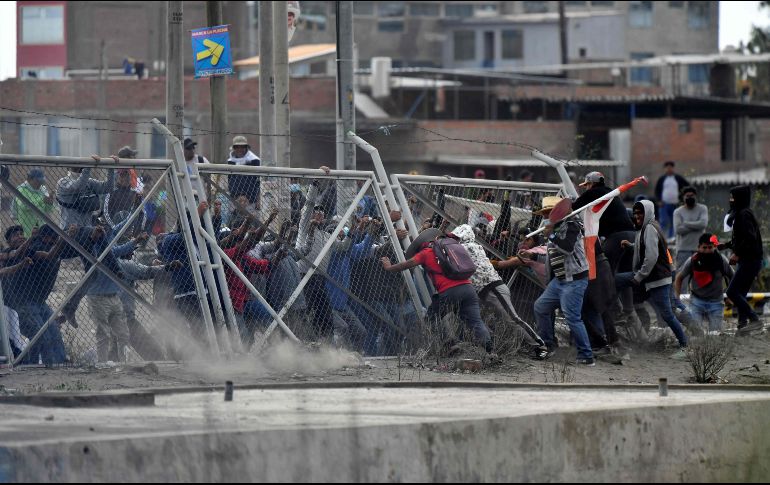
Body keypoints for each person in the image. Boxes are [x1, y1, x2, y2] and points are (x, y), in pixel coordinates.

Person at [381, 228, 494, 356]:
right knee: (476, 322)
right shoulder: (451, 249)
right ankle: (490, 351)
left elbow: (409, 263)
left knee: (431, 319)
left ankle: (443, 345)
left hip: (449, 291)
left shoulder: (426, 252)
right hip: (468, 289)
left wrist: (390, 267)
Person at [451, 223, 548, 359]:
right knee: (470, 315)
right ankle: (484, 342)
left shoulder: (468, 247)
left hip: (493, 288)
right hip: (485, 290)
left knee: (513, 319)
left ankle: (540, 345)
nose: (454, 240)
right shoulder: (469, 247)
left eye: (456, 237)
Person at [617, 200, 688, 356]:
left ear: (648, 212)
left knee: (667, 314)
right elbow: (645, 248)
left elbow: (651, 256)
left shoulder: (649, 228)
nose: (637, 216)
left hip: (656, 279)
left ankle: (686, 345)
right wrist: (630, 246)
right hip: (653, 278)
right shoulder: (646, 228)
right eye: (635, 213)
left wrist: (639, 276)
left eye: (640, 212)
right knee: (617, 281)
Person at [531, 198, 595, 366]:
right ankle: (548, 345)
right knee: (540, 307)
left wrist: (551, 234)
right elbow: (552, 256)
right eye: (544, 213)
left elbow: (566, 248)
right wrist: (531, 257)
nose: (545, 216)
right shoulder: (553, 229)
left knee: (572, 317)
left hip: (574, 280)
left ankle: (586, 355)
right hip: (559, 281)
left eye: (548, 212)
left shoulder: (571, 225)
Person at [2, 225, 75, 366]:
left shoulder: (30, 250)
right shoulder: (9, 253)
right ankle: (40, 366)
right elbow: (17, 255)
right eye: (15, 235)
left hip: (38, 301)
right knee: (41, 336)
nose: (20, 236)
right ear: (9, 242)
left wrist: (65, 238)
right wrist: (31, 238)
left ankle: (59, 364)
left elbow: (49, 255)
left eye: (21, 233)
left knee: (54, 332)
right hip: (21, 303)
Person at [722, 185, 765, 335]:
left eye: (733, 197)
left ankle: (754, 319)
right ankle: (743, 327)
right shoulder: (741, 213)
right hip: (749, 260)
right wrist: (725, 245)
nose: (730, 200)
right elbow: (741, 238)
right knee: (741, 292)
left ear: (739, 198)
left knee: (732, 292)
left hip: (750, 260)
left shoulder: (744, 215)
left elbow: (750, 238)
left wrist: (737, 254)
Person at [675, 234, 733, 333]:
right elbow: (679, 278)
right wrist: (677, 298)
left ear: (715, 247)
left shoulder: (721, 261)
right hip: (697, 302)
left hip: (716, 302)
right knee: (696, 333)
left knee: (714, 336)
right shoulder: (692, 261)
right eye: (704, 247)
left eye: (710, 247)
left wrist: (730, 297)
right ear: (699, 247)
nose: (707, 250)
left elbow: (733, 277)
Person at [57, 154, 118, 228]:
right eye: (74, 162)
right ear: (68, 167)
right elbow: (78, 186)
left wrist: (110, 167)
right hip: (69, 230)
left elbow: (108, 188)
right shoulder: (63, 182)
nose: (77, 163)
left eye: (80, 161)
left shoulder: (89, 182)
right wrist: (88, 165)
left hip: (87, 230)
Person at [673, 186, 708, 286]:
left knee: (699, 279)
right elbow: (678, 230)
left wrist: (686, 223)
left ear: (696, 196)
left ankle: (697, 300)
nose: (689, 198)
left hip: (700, 249)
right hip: (683, 250)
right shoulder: (678, 212)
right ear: (683, 197)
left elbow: (703, 224)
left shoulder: (702, 208)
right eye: (687, 196)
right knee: (682, 279)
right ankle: (681, 300)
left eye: (692, 196)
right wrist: (696, 225)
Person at [13, 169, 55, 237]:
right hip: (26, 228)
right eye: (38, 181)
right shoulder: (21, 189)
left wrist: (49, 202)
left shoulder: (42, 189)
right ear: (30, 179)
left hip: (41, 228)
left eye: (41, 181)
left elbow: (47, 210)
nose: (40, 184)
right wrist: (41, 200)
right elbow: (24, 206)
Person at [654, 161, 689, 239]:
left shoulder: (678, 178)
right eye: (667, 167)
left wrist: (683, 199)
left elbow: (687, 186)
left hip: (675, 204)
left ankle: (671, 238)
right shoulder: (662, 179)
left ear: (673, 168)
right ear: (665, 169)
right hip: (664, 204)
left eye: (671, 167)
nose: (669, 169)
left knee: (674, 222)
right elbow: (657, 190)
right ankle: (662, 238)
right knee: (663, 221)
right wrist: (659, 200)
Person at [226, 136, 261, 208]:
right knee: (233, 219)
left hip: (251, 200)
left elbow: (258, 181)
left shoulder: (254, 160)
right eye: (237, 147)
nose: (240, 149)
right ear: (234, 148)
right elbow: (230, 180)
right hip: (234, 199)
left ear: (246, 148)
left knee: (251, 218)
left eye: (242, 147)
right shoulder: (230, 161)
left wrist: (258, 200)